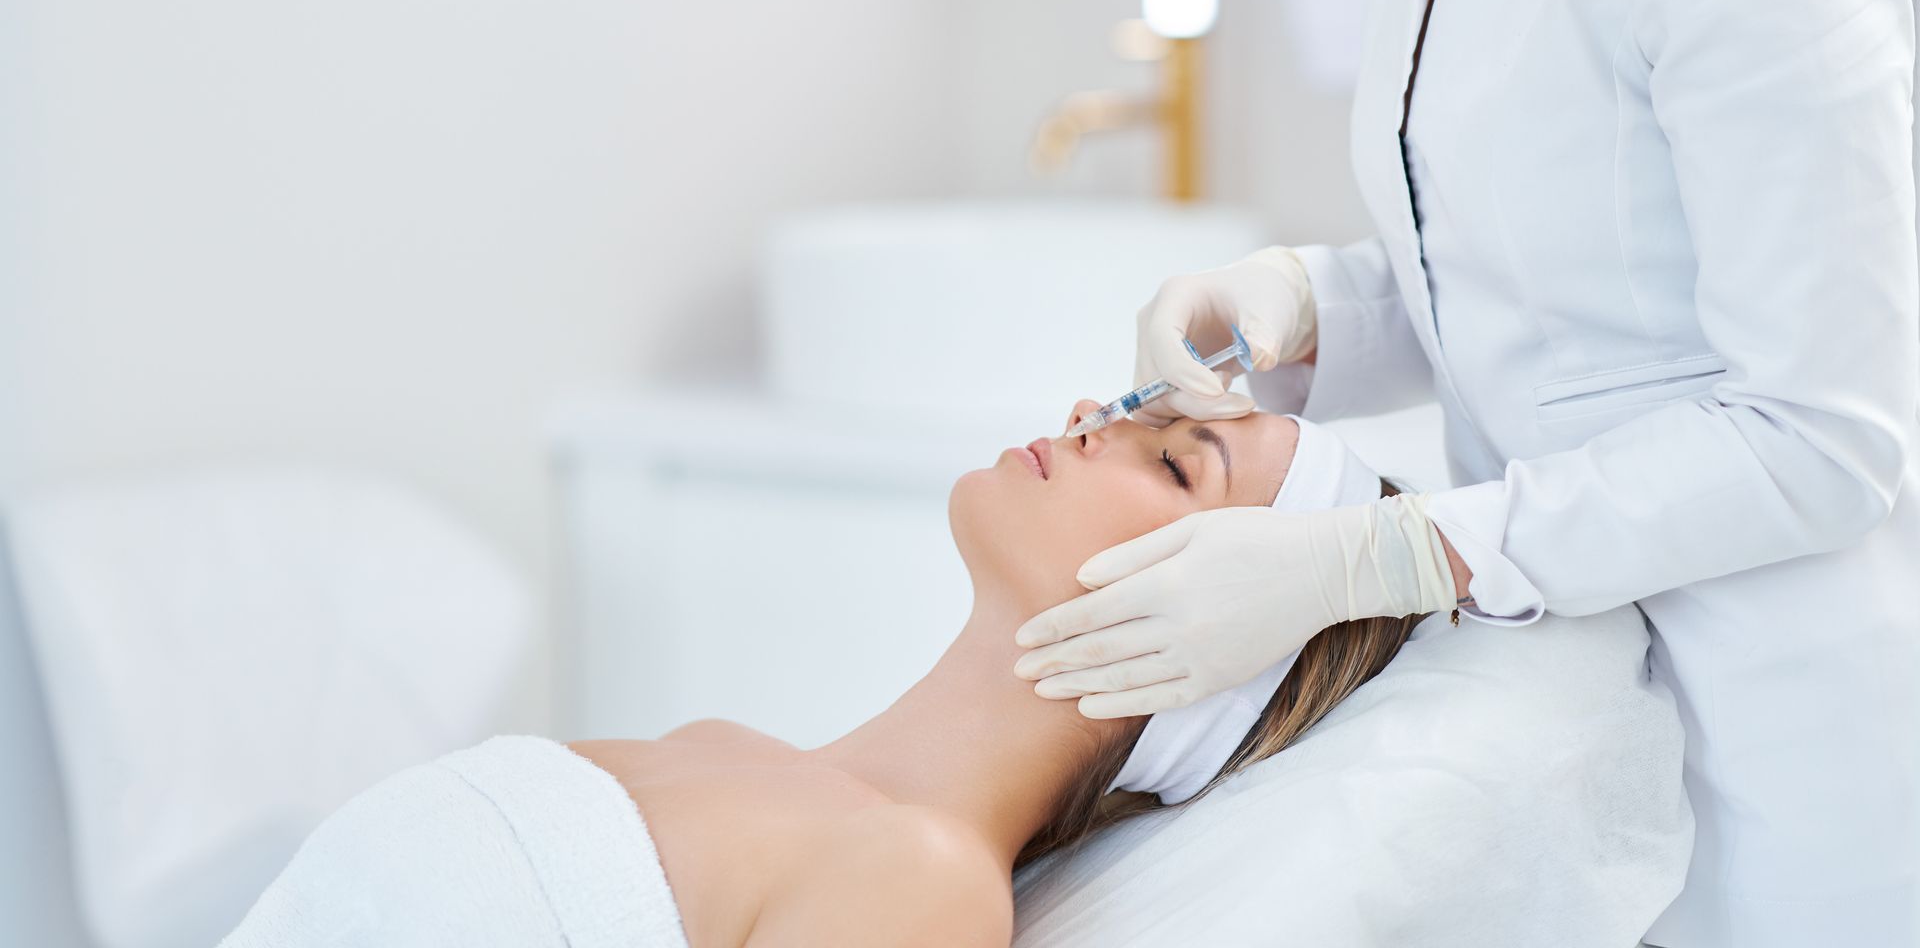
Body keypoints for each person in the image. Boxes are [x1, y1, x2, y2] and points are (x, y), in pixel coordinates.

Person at [1011, 0, 1920, 945]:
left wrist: (1382, 556)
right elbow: (1555, 273)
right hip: (1573, 722)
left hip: (1780, 754)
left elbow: (1825, 438)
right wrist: (1303, 303)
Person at [218, 406, 1458, 947]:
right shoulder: (727, 750)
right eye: (1144, 407)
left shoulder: (920, 883)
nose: (1094, 408)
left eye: (1178, 463)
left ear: (1213, 636)